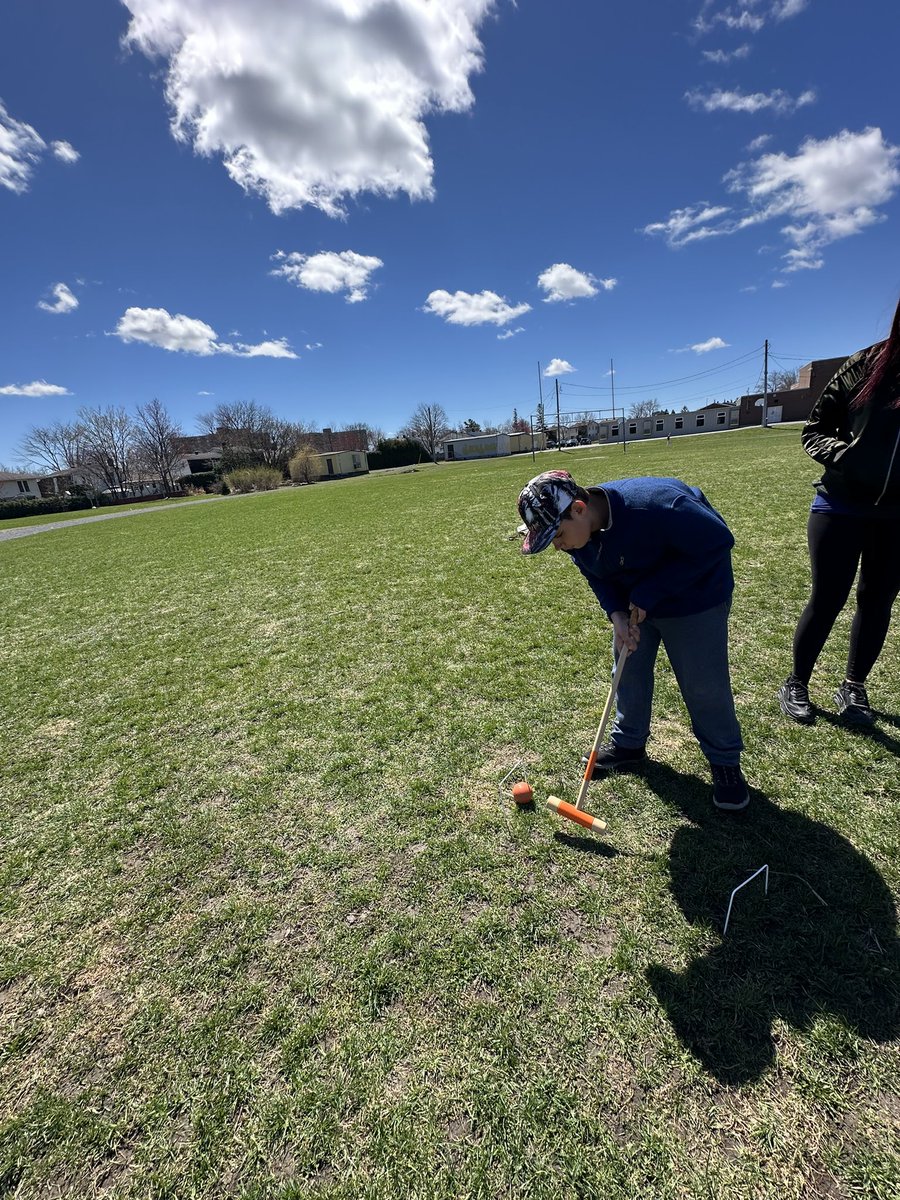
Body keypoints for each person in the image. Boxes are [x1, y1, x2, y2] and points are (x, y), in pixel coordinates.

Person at [517, 470, 749, 811]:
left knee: (703, 683)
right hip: (635, 602)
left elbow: (718, 541)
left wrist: (650, 593)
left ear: (579, 509)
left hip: (695, 599)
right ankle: (629, 743)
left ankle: (725, 762)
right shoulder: (576, 532)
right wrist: (617, 613)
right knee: (627, 671)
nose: (557, 545)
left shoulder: (660, 506)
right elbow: (593, 571)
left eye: (558, 535)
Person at [778, 296, 900, 727]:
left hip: (897, 515)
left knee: (877, 599)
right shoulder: (868, 364)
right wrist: (849, 457)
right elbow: (814, 430)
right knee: (828, 597)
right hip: (841, 504)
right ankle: (797, 682)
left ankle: (854, 685)